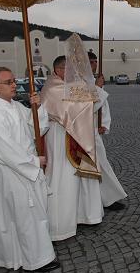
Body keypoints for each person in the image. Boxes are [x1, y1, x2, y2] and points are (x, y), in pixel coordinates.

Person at [0, 67, 59, 272]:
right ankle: (36, 261)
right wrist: (34, 161)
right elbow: (3, 149)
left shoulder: (14, 106)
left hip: (25, 166)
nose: (15, 85)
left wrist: (38, 108)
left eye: (14, 81)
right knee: (26, 215)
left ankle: (34, 253)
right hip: (13, 171)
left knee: (32, 213)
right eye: (9, 82)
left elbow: (37, 128)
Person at [41, 48, 104, 241]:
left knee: (79, 177)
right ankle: (60, 225)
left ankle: (84, 214)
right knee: (64, 177)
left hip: (74, 134)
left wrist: (93, 90)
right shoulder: (53, 88)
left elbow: (86, 102)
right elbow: (81, 105)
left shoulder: (65, 85)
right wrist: (96, 90)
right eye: (70, 71)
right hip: (60, 137)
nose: (73, 74)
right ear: (59, 70)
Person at [88, 51, 127, 211]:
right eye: (91, 62)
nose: (95, 64)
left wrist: (104, 123)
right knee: (96, 165)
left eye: (96, 61)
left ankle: (108, 198)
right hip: (83, 131)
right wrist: (97, 88)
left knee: (101, 163)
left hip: (93, 130)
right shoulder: (79, 82)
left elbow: (103, 105)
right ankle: (100, 200)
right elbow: (86, 107)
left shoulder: (94, 80)